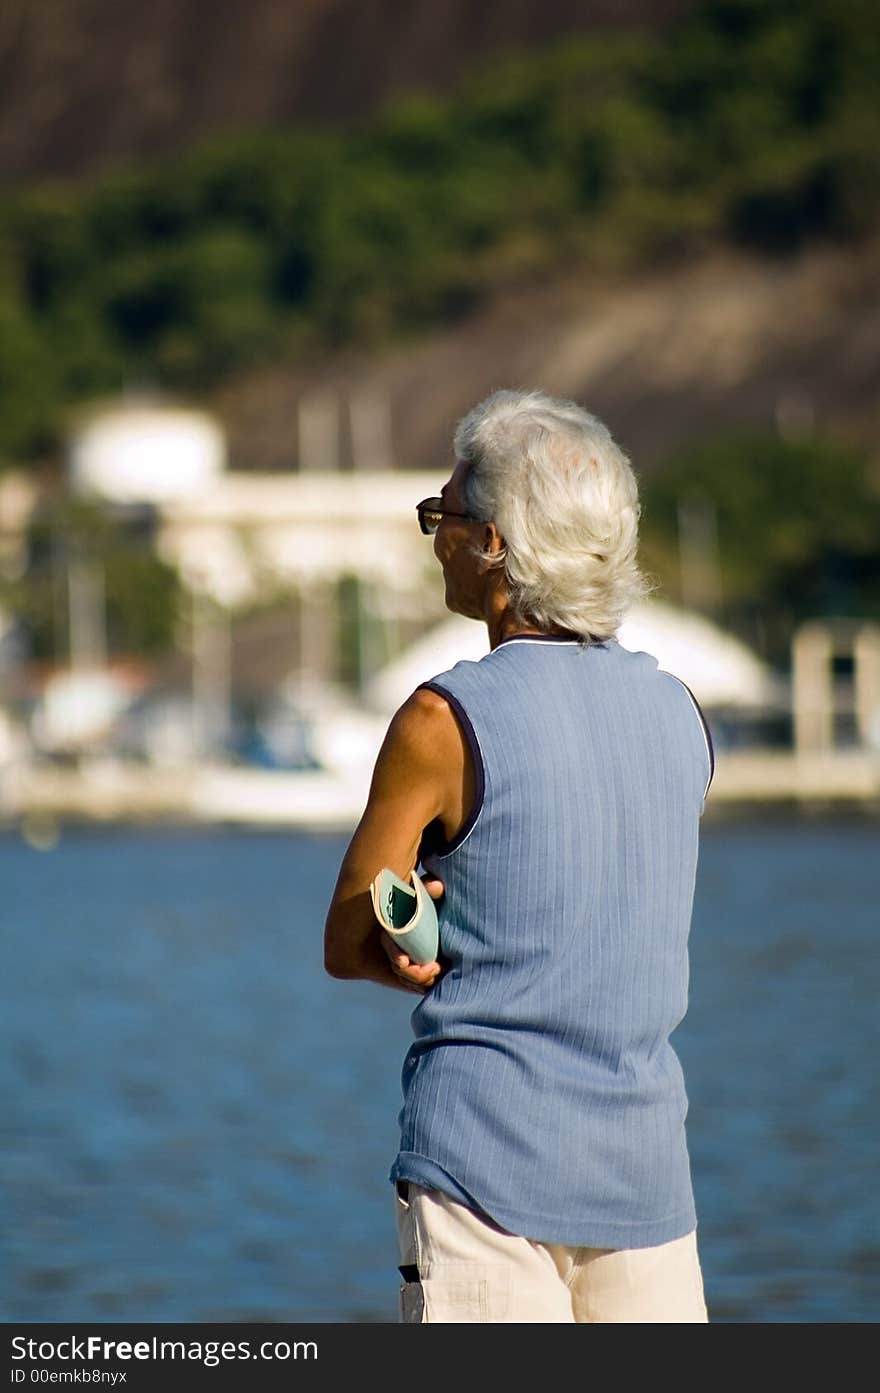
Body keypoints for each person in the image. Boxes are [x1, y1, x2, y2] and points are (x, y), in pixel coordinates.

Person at [323, 389, 712, 1323]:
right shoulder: (682, 715)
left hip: (482, 1171)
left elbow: (346, 939)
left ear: (495, 543)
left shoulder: (442, 720)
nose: (436, 538)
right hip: (647, 1182)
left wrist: (414, 939)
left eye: (444, 516)